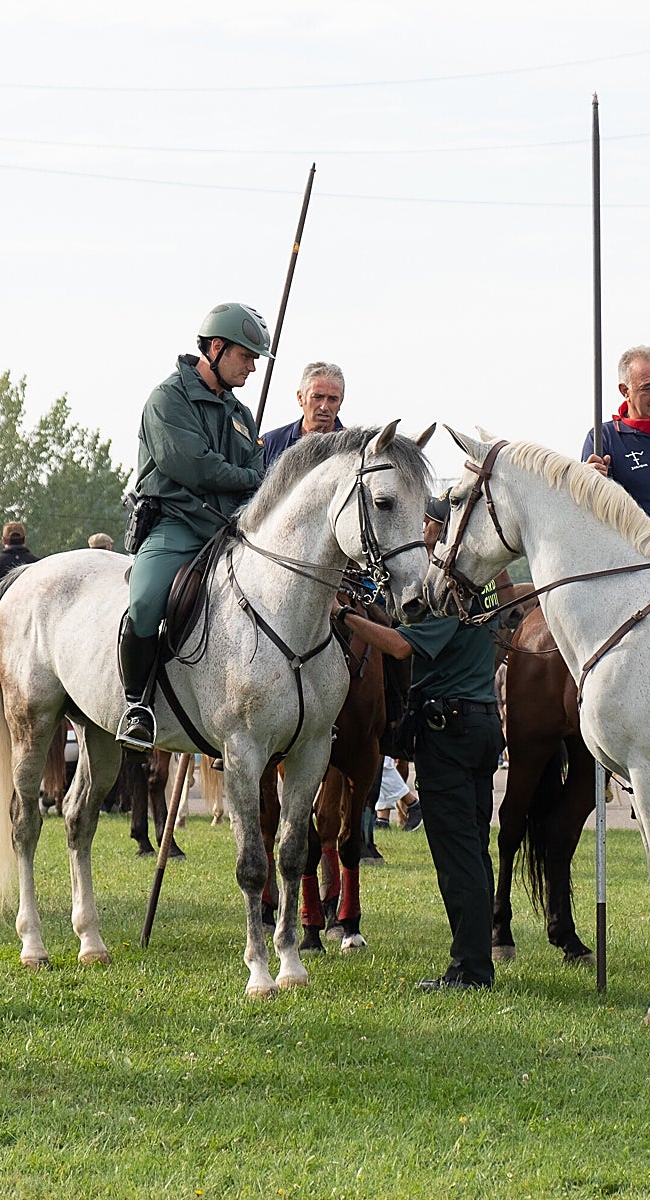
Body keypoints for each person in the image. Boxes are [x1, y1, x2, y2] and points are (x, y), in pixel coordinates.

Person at [330, 493, 504, 990]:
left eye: (428, 524)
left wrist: (343, 618)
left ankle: (470, 970)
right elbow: (412, 630)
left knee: (457, 855)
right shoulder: (485, 582)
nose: (421, 532)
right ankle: (476, 959)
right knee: (475, 846)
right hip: (481, 721)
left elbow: (404, 645)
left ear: (442, 529)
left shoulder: (449, 584)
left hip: (448, 731)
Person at [118, 302, 269, 752]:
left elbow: (256, 467)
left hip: (232, 530)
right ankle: (136, 707)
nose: (252, 367)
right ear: (217, 348)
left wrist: (250, 481)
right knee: (145, 602)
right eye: (246, 356)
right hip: (177, 524)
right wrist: (248, 478)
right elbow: (195, 467)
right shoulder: (168, 399)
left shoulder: (241, 415)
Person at [583, 346, 650, 536]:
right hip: (647, 560)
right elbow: (590, 514)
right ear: (625, 390)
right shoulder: (604, 438)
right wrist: (590, 485)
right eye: (647, 388)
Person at [260, 361, 346, 468]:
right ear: (300, 398)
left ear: (340, 402)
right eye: (317, 397)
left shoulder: (352, 449)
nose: (324, 407)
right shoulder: (272, 443)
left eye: (332, 399)